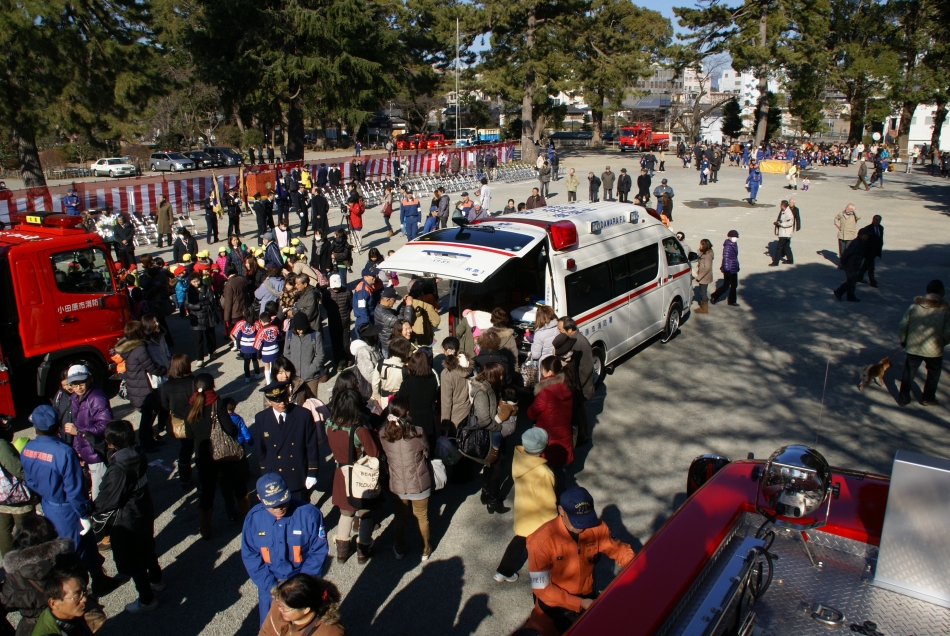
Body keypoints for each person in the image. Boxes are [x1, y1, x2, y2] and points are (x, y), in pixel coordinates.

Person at [20, 407, 111, 594]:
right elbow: (74, 489)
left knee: (83, 546)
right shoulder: (64, 452)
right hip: (68, 508)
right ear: (57, 426)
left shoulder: (27, 449)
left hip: (48, 504)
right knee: (74, 552)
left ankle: (99, 579)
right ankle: (81, 593)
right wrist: (84, 513)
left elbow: (29, 480)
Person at [527, 486, 635, 634]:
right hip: (554, 605)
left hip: (587, 597)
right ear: (561, 510)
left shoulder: (596, 527)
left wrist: (636, 570)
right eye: (576, 520)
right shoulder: (541, 541)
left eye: (586, 520)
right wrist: (578, 603)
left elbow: (620, 550)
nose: (583, 527)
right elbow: (541, 588)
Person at [92, 420, 163, 614]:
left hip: (127, 515)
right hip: (143, 507)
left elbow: (108, 499)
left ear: (112, 442)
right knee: (147, 544)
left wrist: (93, 509)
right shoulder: (137, 453)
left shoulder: (118, 468)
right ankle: (157, 579)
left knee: (133, 556)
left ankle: (146, 597)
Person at [241, 473, 328, 628]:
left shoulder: (309, 514)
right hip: (270, 586)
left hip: (300, 582)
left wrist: (302, 586)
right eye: (272, 504)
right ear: (259, 499)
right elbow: (250, 555)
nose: (279, 507)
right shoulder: (253, 519)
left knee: (305, 628)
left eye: (282, 501)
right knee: (271, 627)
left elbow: (318, 551)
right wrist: (270, 586)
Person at [185, 374, 247, 539]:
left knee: (207, 493)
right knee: (238, 485)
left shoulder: (190, 405)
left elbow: (188, 434)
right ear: (212, 386)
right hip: (223, 455)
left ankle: (205, 528)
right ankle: (246, 516)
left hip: (203, 456)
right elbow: (230, 429)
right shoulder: (217, 403)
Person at [493, 427, 556, 584]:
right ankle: (542, 583)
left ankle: (503, 572)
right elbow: (548, 503)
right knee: (541, 551)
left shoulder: (519, 458)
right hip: (539, 518)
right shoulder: (543, 472)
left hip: (523, 511)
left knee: (519, 541)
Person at [326, 388, 381, 564]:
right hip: (358, 475)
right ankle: (363, 548)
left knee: (345, 512)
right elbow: (373, 452)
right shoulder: (359, 430)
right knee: (364, 513)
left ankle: (342, 550)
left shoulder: (330, 425)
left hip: (340, 472)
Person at [380, 397, 432, 561]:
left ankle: (399, 548)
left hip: (397, 484)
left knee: (400, 517)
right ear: (407, 413)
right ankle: (424, 549)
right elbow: (427, 451)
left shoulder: (383, 435)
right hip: (419, 483)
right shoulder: (417, 433)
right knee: (422, 516)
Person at [253, 382, 319, 501]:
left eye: (284, 398)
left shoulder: (302, 415)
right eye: (277, 401)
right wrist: (265, 474)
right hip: (275, 474)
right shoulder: (261, 419)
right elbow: (261, 449)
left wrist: (312, 472)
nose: (282, 403)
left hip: (297, 473)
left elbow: (311, 446)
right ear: (269, 401)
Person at [61, 365, 112, 497]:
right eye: (74, 383)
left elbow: (105, 425)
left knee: (99, 493)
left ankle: (101, 516)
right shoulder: (75, 398)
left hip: (96, 452)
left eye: (81, 382)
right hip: (86, 452)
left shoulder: (97, 398)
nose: (78, 387)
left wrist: (78, 430)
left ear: (89, 379)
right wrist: (78, 451)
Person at [898, 280, 950, 406]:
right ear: (941, 292)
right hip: (934, 349)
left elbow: (903, 325)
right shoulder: (945, 309)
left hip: (913, 347)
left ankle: (903, 398)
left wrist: (904, 340)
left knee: (909, 372)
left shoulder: (914, 306)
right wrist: (942, 342)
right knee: (933, 373)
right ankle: (928, 397)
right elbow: (948, 331)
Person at [471, 363, 514, 514]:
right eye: (500, 374)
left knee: (490, 466)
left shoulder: (489, 388)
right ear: (493, 375)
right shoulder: (483, 392)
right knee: (497, 468)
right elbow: (484, 419)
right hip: (489, 435)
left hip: (490, 434)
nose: (502, 377)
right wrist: (498, 427)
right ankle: (493, 502)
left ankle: (486, 494)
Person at [528, 357, 574, 471]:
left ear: (549, 372)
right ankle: (561, 488)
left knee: (546, 471)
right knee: (560, 469)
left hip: (548, 438)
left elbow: (531, 413)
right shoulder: (567, 387)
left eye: (542, 369)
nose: (541, 371)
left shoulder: (545, 392)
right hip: (564, 435)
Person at [258, 574, 344, 636]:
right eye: (279, 604)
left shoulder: (330, 633)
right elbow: (265, 632)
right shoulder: (278, 604)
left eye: (285, 608)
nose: (279, 609)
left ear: (305, 609)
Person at [159, 354, 197, 489]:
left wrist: (161, 424)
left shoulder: (166, 386)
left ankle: (184, 478)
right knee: (200, 447)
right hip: (196, 419)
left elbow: (164, 406)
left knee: (185, 448)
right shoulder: (194, 382)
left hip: (179, 421)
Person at [0, 417, 35, 556]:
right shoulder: (1, 445)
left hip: (1, 497)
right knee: (24, 529)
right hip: (15, 497)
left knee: (3, 530)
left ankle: (9, 561)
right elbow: (17, 469)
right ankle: (25, 558)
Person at [395, 351, 440, 447]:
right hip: (428, 419)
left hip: (412, 420)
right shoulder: (432, 380)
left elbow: (400, 401)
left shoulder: (407, 383)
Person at [30, 571, 94, 636]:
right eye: (76, 596)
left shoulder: (71, 614)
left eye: (84, 592)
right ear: (54, 604)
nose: (84, 599)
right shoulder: (50, 633)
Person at [283, 313, 325, 397]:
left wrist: (311, 369)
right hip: (295, 378)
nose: (301, 331)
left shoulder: (315, 335)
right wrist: (292, 368)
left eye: (303, 328)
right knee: (298, 404)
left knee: (312, 403)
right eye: (298, 329)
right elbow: (286, 353)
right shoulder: (289, 334)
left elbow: (320, 355)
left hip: (311, 378)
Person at [185, 272, 217, 366]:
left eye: (197, 281)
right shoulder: (189, 291)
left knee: (210, 336)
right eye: (194, 282)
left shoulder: (206, 288)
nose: (196, 283)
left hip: (208, 315)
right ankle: (200, 358)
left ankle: (212, 352)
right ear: (190, 282)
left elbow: (211, 300)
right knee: (198, 339)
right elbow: (187, 304)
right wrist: (200, 305)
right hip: (197, 318)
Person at [374, 287, 413, 358]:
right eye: (394, 300)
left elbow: (398, 316)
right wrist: (408, 306)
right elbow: (406, 323)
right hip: (391, 350)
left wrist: (403, 305)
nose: (395, 302)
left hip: (387, 345)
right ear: (388, 300)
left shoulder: (381, 308)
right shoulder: (385, 316)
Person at [834, 230, 868, 302]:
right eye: (866, 235)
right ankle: (839, 292)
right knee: (852, 281)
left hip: (854, 265)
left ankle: (850, 296)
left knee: (853, 281)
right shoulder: (856, 243)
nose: (867, 237)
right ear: (862, 235)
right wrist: (843, 262)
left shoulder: (861, 242)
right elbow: (847, 253)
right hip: (850, 265)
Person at [710, 230, 740, 306]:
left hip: (734, 267)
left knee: (734, 285)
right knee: (726, 286)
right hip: (729, 269)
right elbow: (726, 258)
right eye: (734, 237)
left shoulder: (734, 244)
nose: (735, 238)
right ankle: (714, 296)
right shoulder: (728, 246)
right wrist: (726, 270)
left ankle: (732, 301)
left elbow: (735, 257)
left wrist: (737, 266)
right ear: (730, 237)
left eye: (736, 237)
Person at [857, 215, 884, 288]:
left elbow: (880, 239)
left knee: (866, 265)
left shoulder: (881, 228)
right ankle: (872, 282)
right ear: (873, 219)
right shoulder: (868, 228)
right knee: (871, 267)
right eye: (875, 219)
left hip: (875, 251)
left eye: (878, 220)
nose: (877, 221)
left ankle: (859, 277)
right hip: (868, 251)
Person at [530, 305, 560, 370]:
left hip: (545, 364)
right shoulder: (558, 327)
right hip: (558, 359)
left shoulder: (539, 333)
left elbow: (536, 355)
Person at [769, 200, 795, 266]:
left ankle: (775, 262)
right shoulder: (784, 211)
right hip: (785, 233)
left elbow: (790, 223)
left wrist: (781, 224)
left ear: (783, 205)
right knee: (786, 247)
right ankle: (790, 260)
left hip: (785, 233)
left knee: (779, 248)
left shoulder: (788, 213)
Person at [693, 239, 714, 314]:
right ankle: (703, 307)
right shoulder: (704, 253)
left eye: (701, 244)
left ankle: (704, 309)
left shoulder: (707, 256)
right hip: (703, 276)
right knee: (702, 291)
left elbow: (707, 268)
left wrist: (699, 277)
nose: (699, 245)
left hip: (704, 277)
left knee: (703, 292)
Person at [353, 264, 377, 331]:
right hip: (364, 320)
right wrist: (366, 325)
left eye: (375, 275)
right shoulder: (363, 290)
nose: (375, 277)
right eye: (372, 276)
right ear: (365, 277)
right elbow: (362, 309)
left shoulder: (367, 286)